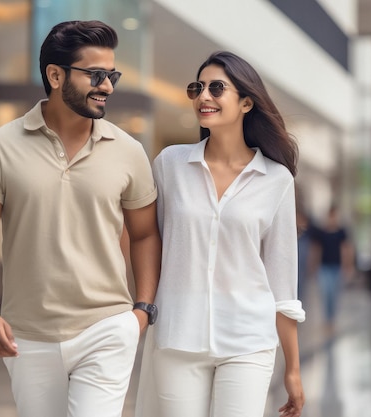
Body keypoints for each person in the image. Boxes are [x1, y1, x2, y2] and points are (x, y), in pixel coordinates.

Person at [0, 20, 161, 417]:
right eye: (97, 75)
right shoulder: (0, 146)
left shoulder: (129, 151)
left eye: (112, 75)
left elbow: (145, 235)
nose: (107, 86)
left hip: (106, 327)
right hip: (28, 336)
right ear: (55, 75)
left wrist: (142, 312)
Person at [135, 51, 305, 417]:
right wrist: (139, 308)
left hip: (248, 341)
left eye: (216, 88)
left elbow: (282, 283)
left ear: (246, 101)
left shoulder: (277, 180)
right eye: (197, 88)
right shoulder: (170, 165)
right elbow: (147, 242)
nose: (203, 97)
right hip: (178, 337)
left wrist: (292, 369)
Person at [309, 205, 355, 332]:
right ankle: (327, 318)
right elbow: (316, 249)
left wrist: (348, 265)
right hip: (324, 267)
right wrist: (313, 265)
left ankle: (332, 318)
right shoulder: (321, 233)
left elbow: (346, 249)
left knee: (334, 294)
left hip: (336, 266)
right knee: (325, 292)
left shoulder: (341, 233)